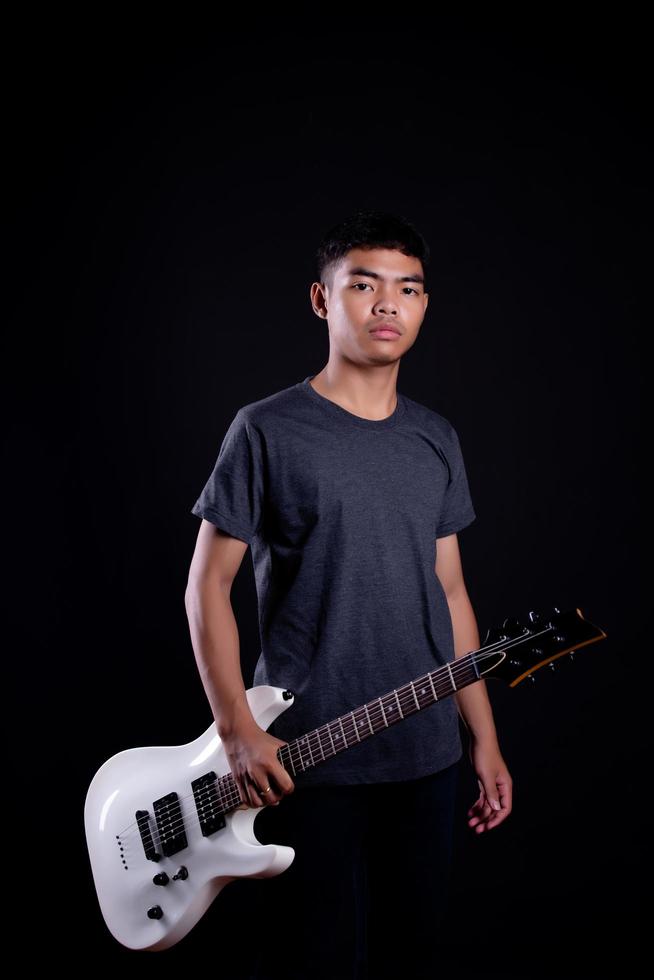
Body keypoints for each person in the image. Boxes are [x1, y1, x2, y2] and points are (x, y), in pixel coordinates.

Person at [185, 209, 513, 979]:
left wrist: (484, 740)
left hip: (425, 756)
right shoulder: (266, 430)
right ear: (322, 300)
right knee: (313, 960)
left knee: (413, 957)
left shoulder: (436, 437)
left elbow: (453, 593)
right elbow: (208, 587)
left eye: (408, 288)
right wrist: (236, 730)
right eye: (363, 285)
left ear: (425, 305)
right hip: (306, 760)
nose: (387, 304)